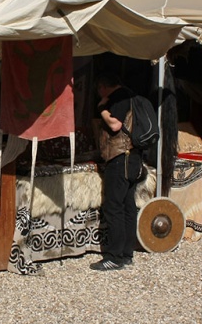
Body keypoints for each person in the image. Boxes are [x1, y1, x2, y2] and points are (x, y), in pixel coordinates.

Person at [91, 73, 146, 271]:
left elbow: (115, 125)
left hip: (120, 158)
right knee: (128, 205)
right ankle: (126, 253)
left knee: (114, 207)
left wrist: (102, 109)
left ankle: (114, 256)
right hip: (132, 158)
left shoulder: (119, 98)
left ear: (103, 87)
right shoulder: (131, 95)